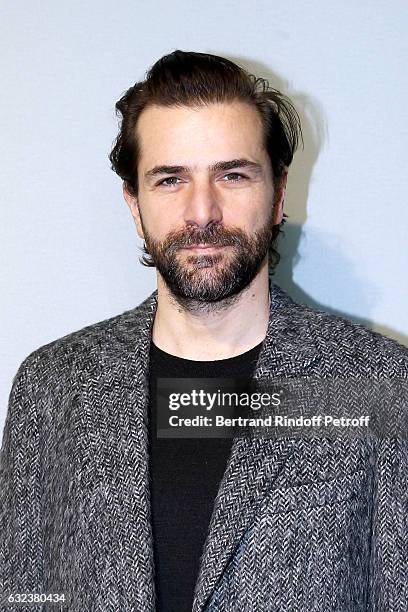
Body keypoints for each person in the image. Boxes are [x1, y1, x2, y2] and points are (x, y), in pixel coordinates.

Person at [1, 49, 407, 612]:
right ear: (135, 206)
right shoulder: (53, 387)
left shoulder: (376, 383)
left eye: (233, 175)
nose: (203, 212)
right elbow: (22, 595)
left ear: (278, 193)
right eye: (170, 180)